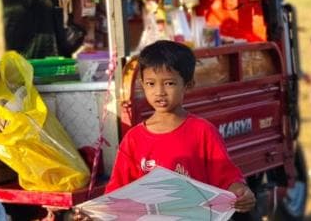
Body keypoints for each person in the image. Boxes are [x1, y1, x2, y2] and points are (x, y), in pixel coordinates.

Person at [105, 40, 255, 214]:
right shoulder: (133, 139)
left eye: (169, 83)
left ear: (188, 84)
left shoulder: (202, 131)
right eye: (151, 83)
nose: (159, 91)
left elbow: (226, 177)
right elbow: (116, 192)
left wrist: (241, 193)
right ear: (142, 84)